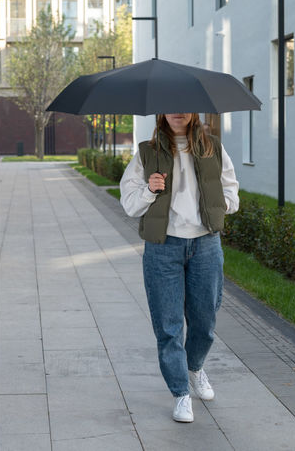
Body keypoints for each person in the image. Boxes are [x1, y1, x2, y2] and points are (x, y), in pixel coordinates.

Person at [119, 112, 239, 423]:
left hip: (205, 245)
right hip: (163, 248)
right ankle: (180, 392)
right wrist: (149, 190)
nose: (178, 111)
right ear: (161, 112)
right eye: (170, 106)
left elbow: (231, 190)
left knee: (205, 320)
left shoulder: (213, 147)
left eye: (185, 105)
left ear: (195, 111)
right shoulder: (147, 153)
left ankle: (195, 367)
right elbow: (129, 204)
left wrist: (220, 205)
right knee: (168, 326)